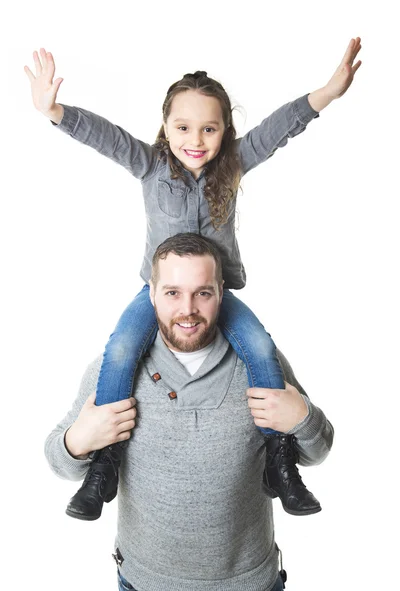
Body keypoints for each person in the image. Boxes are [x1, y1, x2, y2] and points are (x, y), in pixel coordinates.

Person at [27, 39, 359, 521]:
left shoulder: (233, 166)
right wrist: (55, 111)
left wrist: (326, 93)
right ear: (165, 127)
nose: (196, 140)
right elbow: (108, 137)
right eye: (183, 127)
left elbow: (278, 130)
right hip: (161, 296)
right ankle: (103, 465)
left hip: (214, 298)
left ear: (225, 131)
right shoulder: (150, 166)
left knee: (262, 350)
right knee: (121, 348)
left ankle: (281, 462)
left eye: (210, 128)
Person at [45, 233, 334, 591]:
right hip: (145, 587)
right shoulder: (112, 372)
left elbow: (317, 451)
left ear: (221, 292)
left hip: (251, 589)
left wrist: (302, 418)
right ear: (151, 293)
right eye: (172, 293)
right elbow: (58, 462)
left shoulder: (263, 367)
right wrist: (78, 440)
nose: (188, 308)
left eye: (203, 292)